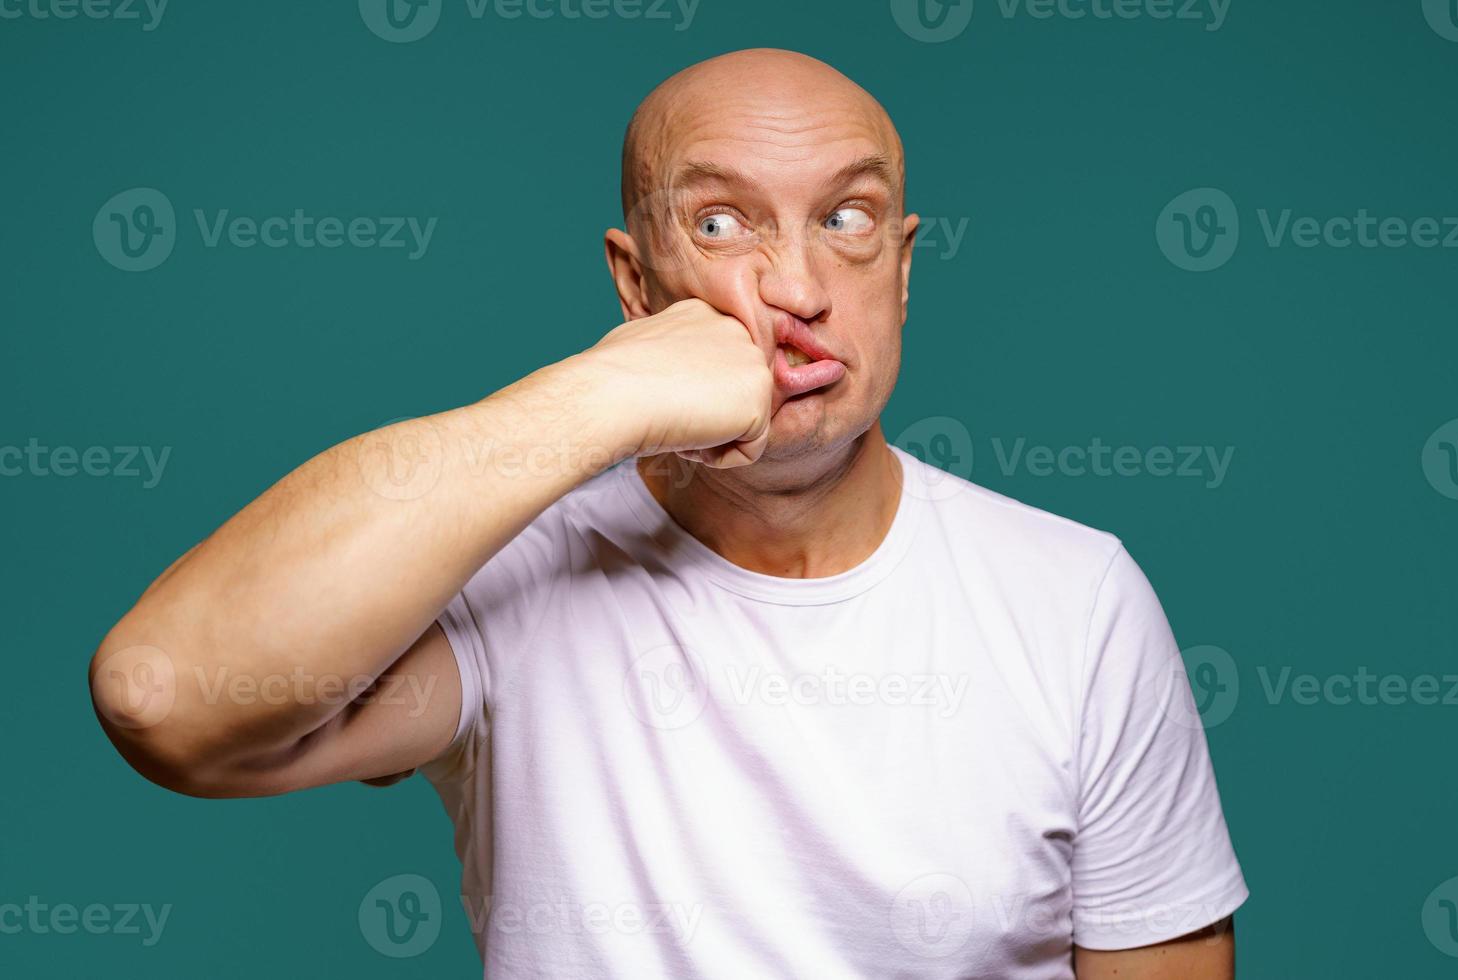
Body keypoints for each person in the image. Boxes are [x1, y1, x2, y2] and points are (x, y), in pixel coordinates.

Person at [90, 47, 1247, 978]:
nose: (797, 289)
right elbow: (160, 697)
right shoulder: (514, 584)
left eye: (847, 219)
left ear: (903, 271)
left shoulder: (1076, 597)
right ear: (637, 283)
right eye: (722, 223)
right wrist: (607, 395)